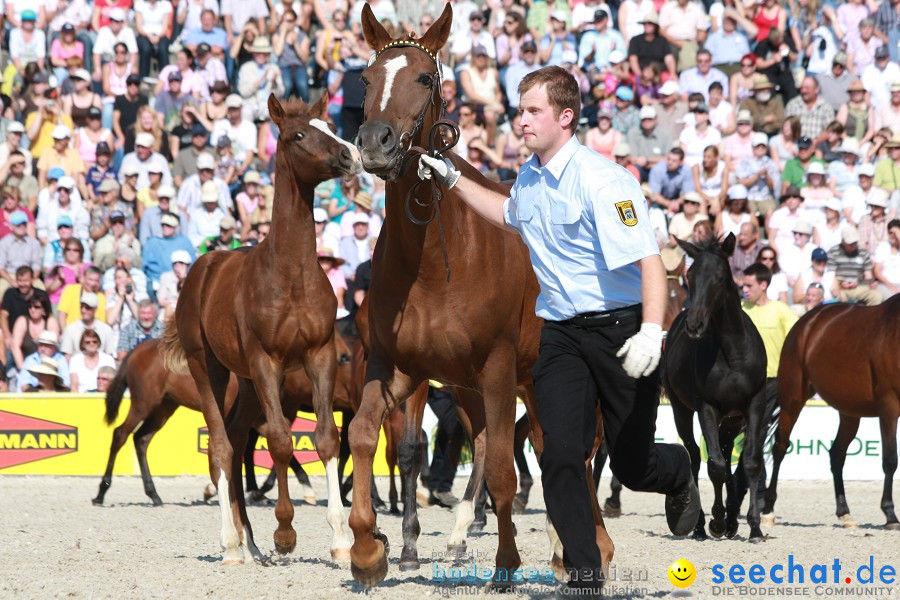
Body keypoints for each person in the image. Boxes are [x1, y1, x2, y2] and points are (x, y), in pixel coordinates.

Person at [417, 66, 699, 598]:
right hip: (561, 335)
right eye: (519, 110)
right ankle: (586, 579)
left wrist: (652, 332)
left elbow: (649, 262)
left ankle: (680, 470)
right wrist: (455, 181)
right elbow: (507, 215)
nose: (520, 120)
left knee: (634, 465)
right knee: (560, 455)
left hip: (622, 331)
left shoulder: (603, 179)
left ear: (564, 117)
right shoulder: (529, 176)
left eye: (532, 111)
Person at [740, 262, 798, 433]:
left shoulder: (781, 310)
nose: (744, 290)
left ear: (763, 285)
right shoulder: (739, 309)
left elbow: (797, 341)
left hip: (772, 380)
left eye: (749, 285)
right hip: (743, 381)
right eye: (744, 285)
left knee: (756, 432)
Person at [425, 382, 464, 508]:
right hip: (438, 390)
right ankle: (443, 487)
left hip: (457, 389)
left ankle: (433, 486)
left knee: (446, 436)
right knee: (454, 430)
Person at [142, 213, 196, 298]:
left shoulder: (185, 242)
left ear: (176, 227)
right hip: (157, 281)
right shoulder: (152, 242)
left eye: (169, 225)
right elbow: (145, 266)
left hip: (181, 281)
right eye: (163, 225)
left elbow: (193, 264)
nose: (165, 227)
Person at [827, 225, 883, 305]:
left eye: (855, 242)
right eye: (850, 243)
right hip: (840, 288)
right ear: (843, 241)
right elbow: (831, 275)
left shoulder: (863, 252)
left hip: (859, 286)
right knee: (838, 299)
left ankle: (868, 317)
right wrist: (840, 284)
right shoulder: (833, 252)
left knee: (877, 296)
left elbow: (868, 275)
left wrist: (858, 283)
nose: (853, 245)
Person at [9, 294, 59, 371]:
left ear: (44, 309)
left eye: (37, 307)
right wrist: (23, 370)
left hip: (47, 366)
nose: (32, 309)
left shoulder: (50, 321)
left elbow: (52, 347)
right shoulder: (22, 321)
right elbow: (15, 347)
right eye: (30, 307)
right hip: (25, 365)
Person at [873, 219, 900, 298]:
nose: (893, 235)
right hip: (886, 284)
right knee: (893, 300)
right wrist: (891, 286)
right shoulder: (883, 247)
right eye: (891, 233)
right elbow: (877, 271)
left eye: (895, 233)